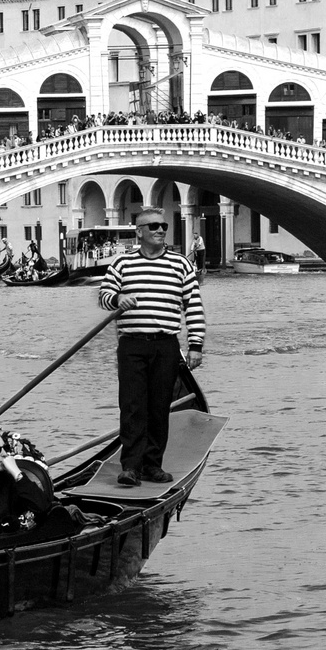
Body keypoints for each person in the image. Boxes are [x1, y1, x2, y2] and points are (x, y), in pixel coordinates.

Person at [98, 207, 206, 488]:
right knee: (132, 407)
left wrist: (195, 345)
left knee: (159, 408)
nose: (160, 230)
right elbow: (104, 295)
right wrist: (118, 297)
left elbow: (193, 307)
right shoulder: (122, 265)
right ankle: (130, 467)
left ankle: (152, 465)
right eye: (154, 226)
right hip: (132, 344)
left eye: (164, 226)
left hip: (166, 344)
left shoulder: (181, 265)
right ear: (139, 232)